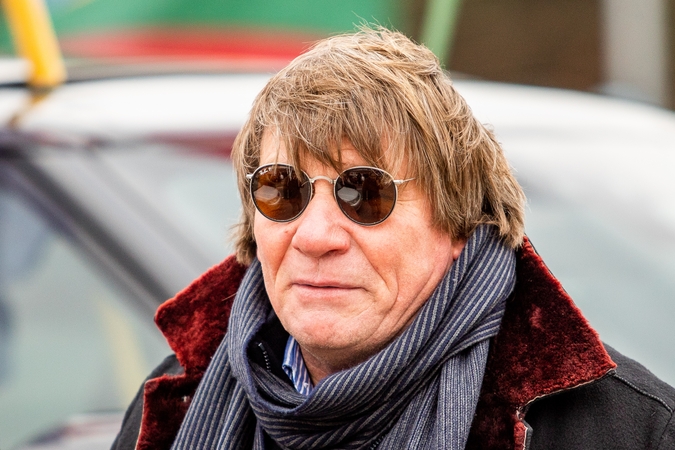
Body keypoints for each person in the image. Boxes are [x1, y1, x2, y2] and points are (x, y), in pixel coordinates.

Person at [112, 27, 675, 450]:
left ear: (459, 223)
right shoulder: (174, 402)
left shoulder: (626, 430)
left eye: (364, 194)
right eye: (281, 190)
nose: (315, 236)